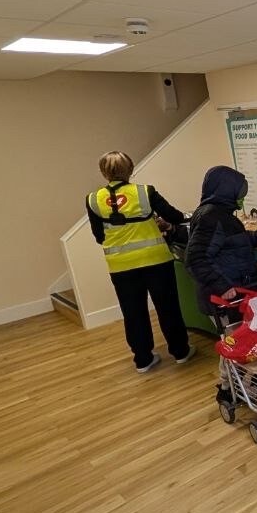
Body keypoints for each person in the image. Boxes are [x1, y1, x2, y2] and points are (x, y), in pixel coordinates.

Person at [85, 151, 194, 373]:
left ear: (103, 172)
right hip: (155, 261)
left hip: (121, 266)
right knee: (168, 307)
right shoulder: (145, 192)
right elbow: (176, 216)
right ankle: (180, 351)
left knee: (133, 312)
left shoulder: (93, 200)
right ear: (130, 169)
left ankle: (143, 359)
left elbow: (99, 237)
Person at [185, 165, 257, 318]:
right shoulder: (212, 217)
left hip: (235, 290)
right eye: (239, 193)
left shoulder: (219, 213)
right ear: (227, 191)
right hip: (226, 297)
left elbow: (234, 240)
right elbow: (195, 258)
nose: (242, 197)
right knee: (235, 339)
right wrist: (222, 286)